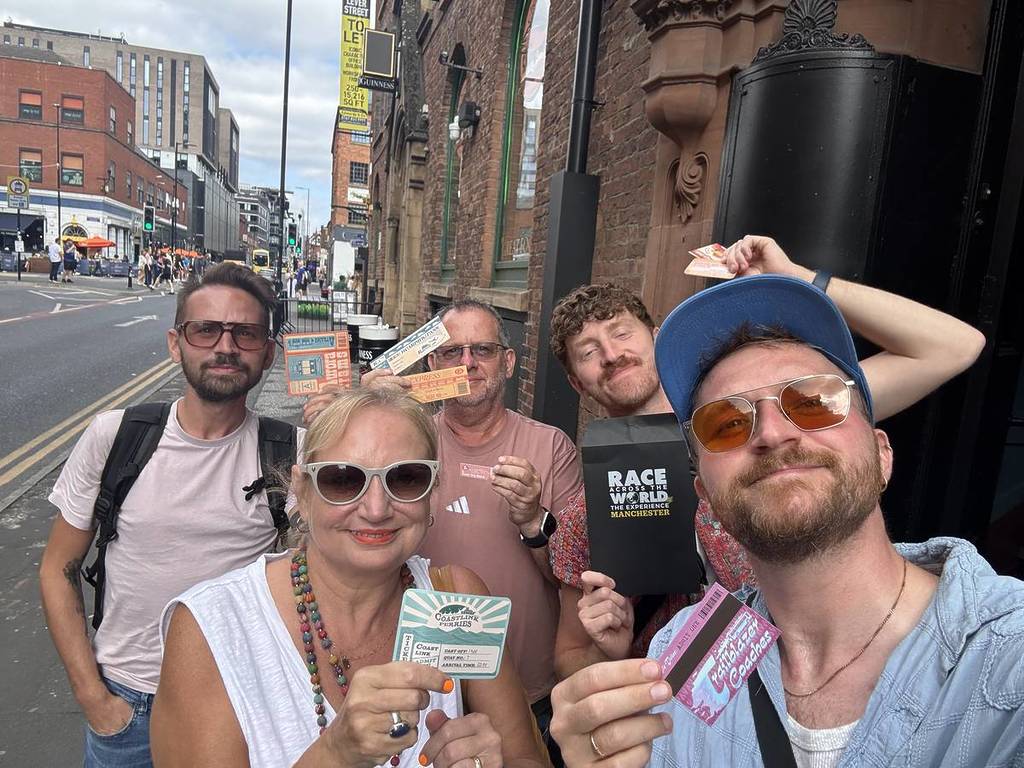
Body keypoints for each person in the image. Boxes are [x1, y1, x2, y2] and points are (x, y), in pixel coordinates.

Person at [547, 271, 1024, 767]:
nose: (773, 432)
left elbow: (954, 346)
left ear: (882, 453)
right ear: (704, 488)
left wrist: (801, 276)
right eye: (726, 422)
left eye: (811, 403)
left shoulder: (1006, 651)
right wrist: (614, 688)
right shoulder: (682, 645)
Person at [152, 388, 548, 768]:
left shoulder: (456, 597)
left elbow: (524, 756)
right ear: (303, 494)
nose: (376, 509)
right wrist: (335, 756)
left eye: (406, 478)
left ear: (431, 493)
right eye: (342, 479)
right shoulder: (213, 627)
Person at [39, 263, 300, 768]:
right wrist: (94, 699)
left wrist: (343, 417)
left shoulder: (292, 453)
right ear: (176, 343)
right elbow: (57, 569)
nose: (226, 347)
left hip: (237, 702)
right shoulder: (115, 437)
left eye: (245, 333)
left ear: (268, 353)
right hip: (128, 706)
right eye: (205, 330)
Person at [304, 300, 584, 757]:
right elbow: (336, 527)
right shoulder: (404, 444)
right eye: (452, 353)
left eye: (483, 350)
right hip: (423, 685)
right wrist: (356, 415)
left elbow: (571, 579)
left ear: (508, 363)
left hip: (529, 685)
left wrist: (534, 520)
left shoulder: (551, 447)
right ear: (431, 363)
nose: (468, 363)